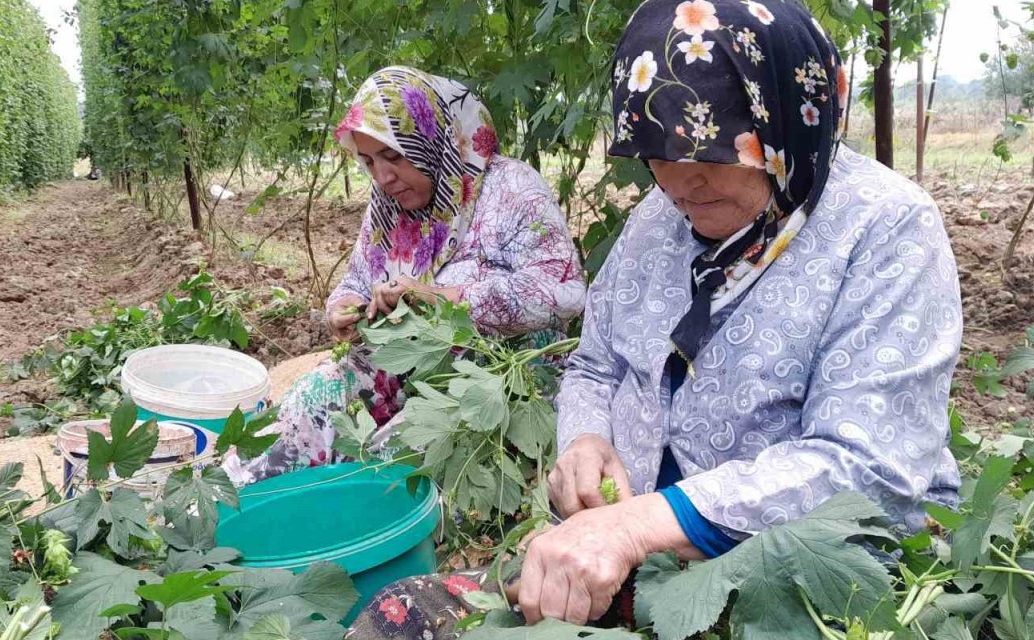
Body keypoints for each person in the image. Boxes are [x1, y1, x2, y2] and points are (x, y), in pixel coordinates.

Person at [346, 1, 962, 636]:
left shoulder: (886, 230)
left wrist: (640, 525)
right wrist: (585, 441)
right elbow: (594, 363)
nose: (680, 181)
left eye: (715, 151)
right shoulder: (656, 218)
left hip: (792, 580)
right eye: (657, 153)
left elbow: (872, 470)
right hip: (633, 556)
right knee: (404, 616)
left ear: (784, 120)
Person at [222, 67, 586, 485]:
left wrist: (442, 297)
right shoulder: (388, 207)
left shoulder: (513, 191)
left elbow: (564, 292)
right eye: (369, 161)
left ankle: (347, 523)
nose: (383, 177)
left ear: (433, 139)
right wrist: (342, 309)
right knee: (312, 398)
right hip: (407, 366)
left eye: (394, 155)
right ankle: (236, 499)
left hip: (494, 380)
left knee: (389, 461)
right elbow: (357, 281)